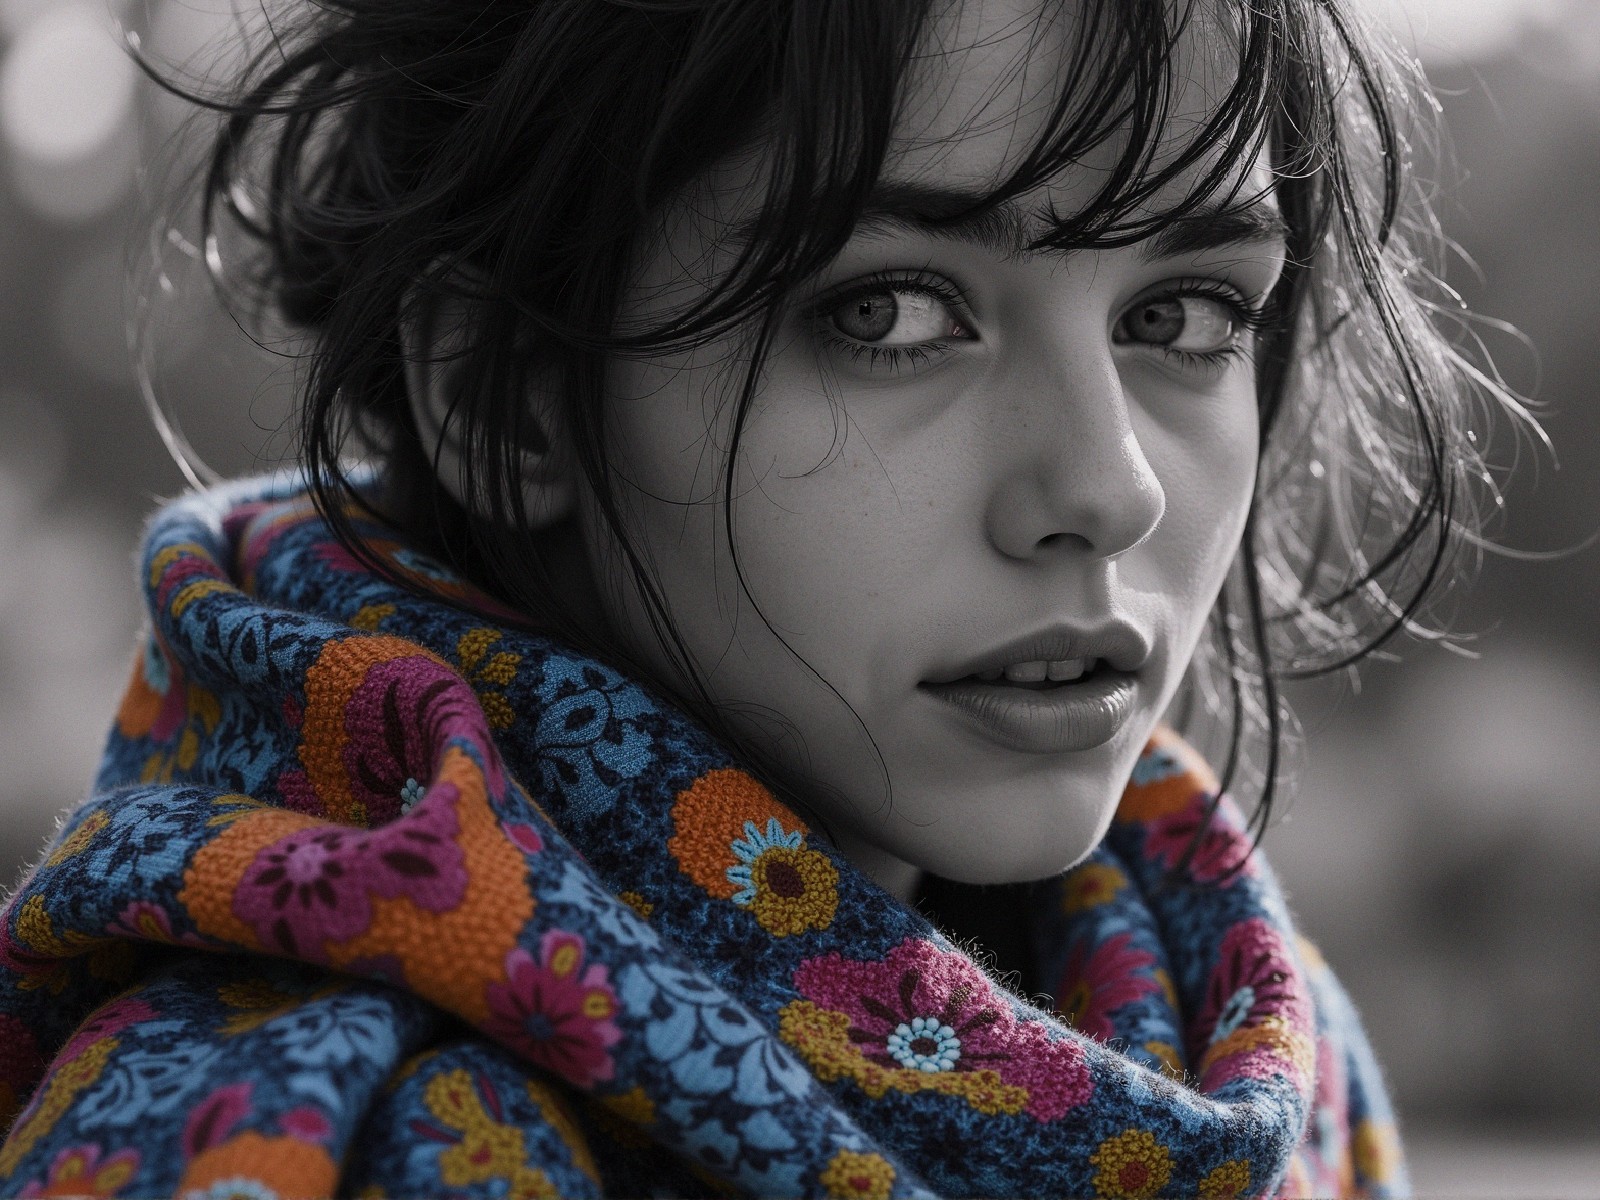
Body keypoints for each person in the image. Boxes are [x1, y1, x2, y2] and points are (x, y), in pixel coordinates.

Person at [0, 0, 1516, 1194]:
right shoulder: (319, 1133)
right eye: (892, 312)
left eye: (1185, 313)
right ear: (508, 398)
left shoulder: (1246, 1050)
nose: (1107, 487)